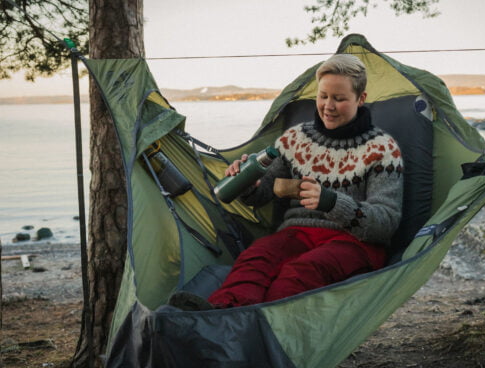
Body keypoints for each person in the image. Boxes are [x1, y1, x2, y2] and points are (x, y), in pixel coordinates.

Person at [169, 54, 404, 310]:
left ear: (361, 99)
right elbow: (261, 196)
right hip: (296, 234)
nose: (328, 106)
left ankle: (265, 333)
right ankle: (221, 314)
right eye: (323, 96)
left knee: (297, 275)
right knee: (255, 258)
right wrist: (247, 182)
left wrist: (332, 202)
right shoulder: (295, 139)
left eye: (339, 99)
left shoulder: (383, 148)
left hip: (352, 242)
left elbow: (386, 222)